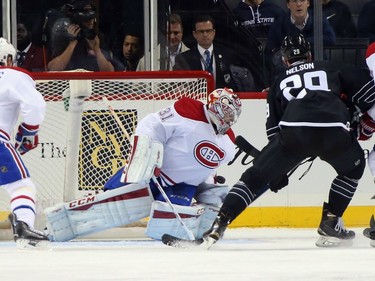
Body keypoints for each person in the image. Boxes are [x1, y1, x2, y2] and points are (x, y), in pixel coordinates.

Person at [200, 34, 375, 249]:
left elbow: (274, 130)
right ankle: (331, 221)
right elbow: (368, 94)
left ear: (284, 60)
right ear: (310, 54)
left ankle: (220, 223)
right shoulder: (329, 66)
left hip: (294, 133)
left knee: (253, 179)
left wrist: (276, 168)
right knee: (352, 170)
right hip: (334, 129)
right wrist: (355, 114)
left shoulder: (278, 82)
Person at [44, 88, 242, 242]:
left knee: (170, 223)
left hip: (183, 186)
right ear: (214, 106)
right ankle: (57, 225)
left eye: (231, 116)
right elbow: (151, 124)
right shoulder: (188, 109)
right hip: (153, 172)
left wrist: (210, 183)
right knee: (108, 196)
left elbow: (209, 168)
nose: (228, 120)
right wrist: (147, 153)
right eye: (225, 113)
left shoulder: (228, 142)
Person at [0, 38, 49, 249]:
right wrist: (28, 132)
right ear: (8, 58)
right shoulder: (12, 75)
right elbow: (35, 106)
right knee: (21, 186)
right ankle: (24, 227)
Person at [264, 0, 336, 81]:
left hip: (315, 70)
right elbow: (269, 53)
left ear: (308, 3)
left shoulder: (318, 19)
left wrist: (303, 42)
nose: (298, 4)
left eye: (302, 0)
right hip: (288, 74)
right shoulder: (279, 24)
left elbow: (331, 39)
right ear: (288, 5)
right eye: (294, 1)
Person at [47, 0, 123, 71]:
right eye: (87, 20)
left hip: (94, 82)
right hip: (69, 81)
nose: (91, 23)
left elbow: (110, 71)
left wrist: (97, 51)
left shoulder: (95, 38)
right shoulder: (63, 31)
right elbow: (53, 69)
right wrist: (72, 44)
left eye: (92, 19)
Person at [173, 14, 239, 90]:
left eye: (208, 31)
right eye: (201, 31)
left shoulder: (227, 55)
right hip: (196, 100)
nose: (205, 35)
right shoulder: (183, 58)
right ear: (194, 34)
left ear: (214, 32)